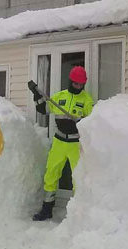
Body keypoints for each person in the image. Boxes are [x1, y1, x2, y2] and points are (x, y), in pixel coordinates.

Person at [30, 66, 93, 221]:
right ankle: (47, 209)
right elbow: (43, 109)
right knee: (51, 173)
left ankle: (78, 214)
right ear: (70, 82)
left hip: (75, 144)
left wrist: (82, 121)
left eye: (81, 85)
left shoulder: (87, 100)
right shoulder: (59, 97)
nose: (78, 87)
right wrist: (37, 95)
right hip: (59, 142)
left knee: (77, 178)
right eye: (76, 84)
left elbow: (92, 123)